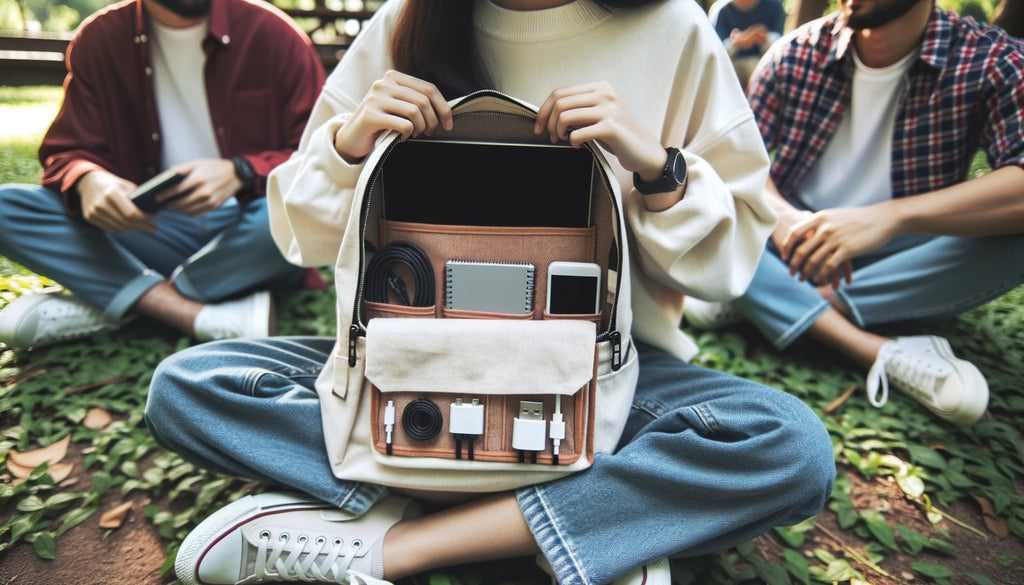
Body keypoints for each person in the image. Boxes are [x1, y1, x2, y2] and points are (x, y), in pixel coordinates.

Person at [144, 2, 836, 585]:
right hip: (407, 355)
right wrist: (349, 144)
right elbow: (302, 237)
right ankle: (585, 519)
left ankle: (398, 539)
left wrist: (657, 166)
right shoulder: (406, 20)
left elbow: (731, 264)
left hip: (607, 380)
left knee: (791, 445)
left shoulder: (674, 26)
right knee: (188, 386)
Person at [683, 0, 1024, 426]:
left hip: (902, 254)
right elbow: (729, 162)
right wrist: (786, 221)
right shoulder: (795, 53)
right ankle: (875, 350)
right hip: (794, 246)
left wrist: (889, 218)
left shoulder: (991, 59)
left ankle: (765, 298)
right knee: (714, 208)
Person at [0, 0, 326, 349]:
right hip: (148, 228)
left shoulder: (273, 33)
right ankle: (188, 311)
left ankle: (132, 301)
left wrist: (242, 170)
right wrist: (88, 178)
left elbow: (321, 156)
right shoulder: (101, 39)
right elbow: (68, 152)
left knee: (294, 210)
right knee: (7, 207)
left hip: (252, 228)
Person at [706, 0, 787, 89]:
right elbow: (715, 52)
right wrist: (735, 43)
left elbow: (781, 48)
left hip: (762, 68)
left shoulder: (775, 6)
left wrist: (763, 38)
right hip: (730, 69)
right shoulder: (721, 10)